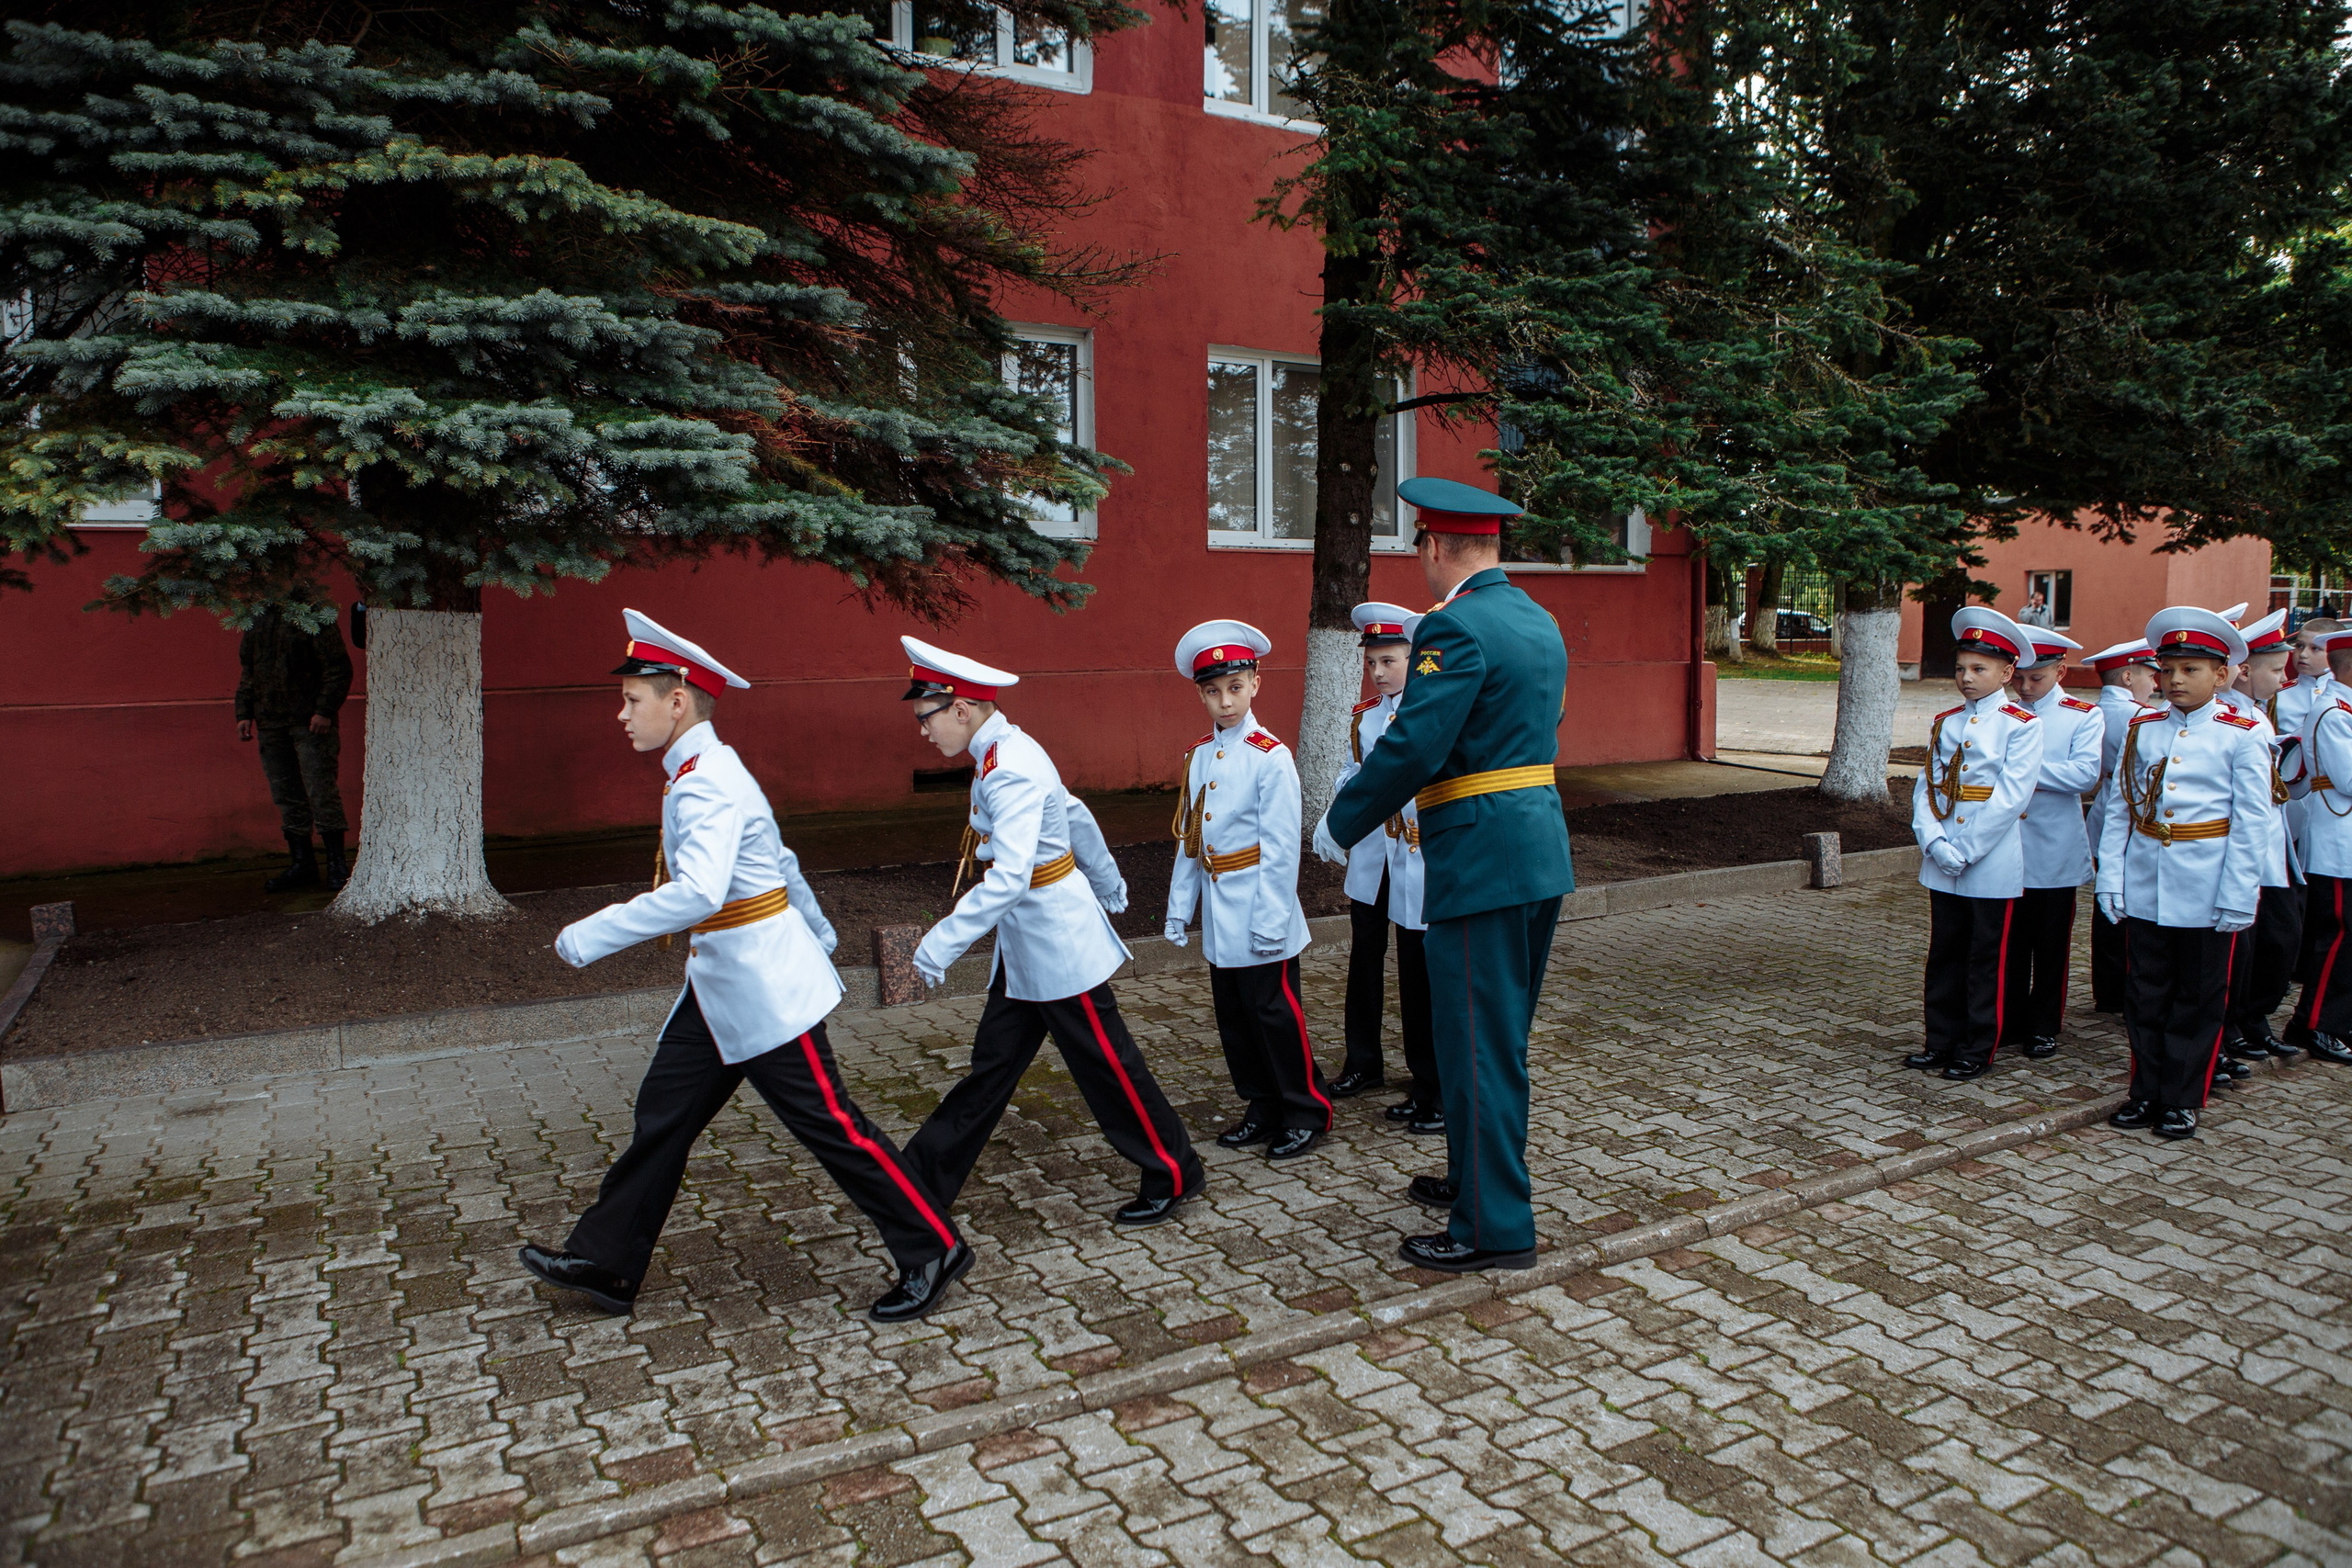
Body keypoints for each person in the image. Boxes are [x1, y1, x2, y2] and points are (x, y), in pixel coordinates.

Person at [521, 611, 968, 1323]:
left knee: (834, 1126)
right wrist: (820, 931)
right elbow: (779, 859)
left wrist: (590, 934)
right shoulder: (704, 769)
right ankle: (606, 1260)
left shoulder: (704, 781)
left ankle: (933, 1246)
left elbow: (699, 891)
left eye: (633, 699)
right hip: (721, 987)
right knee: (663, 1116)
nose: (621, 713)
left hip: (762, 991)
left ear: (677, 701)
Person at [1325, 476, 1574, 1274]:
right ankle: (1475, 1183)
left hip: (1479, 855)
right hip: (1535, 847)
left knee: (1476, 1046)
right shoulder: (1538, 621)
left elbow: (1417, 744)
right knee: (1495, 1041)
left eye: (1418, 549)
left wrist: (1339, 823)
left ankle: (1492, 1229)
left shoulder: (1453, 628)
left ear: (1434, 546)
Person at [896, 637, 1206, 1229]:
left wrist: (940, 941)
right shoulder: (1006, 749)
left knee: (1108, 1066)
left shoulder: (1005, 767)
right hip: (1029, 947)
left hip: (1056, 944)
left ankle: (1172, 1167)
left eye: (925, 718)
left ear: (960, 708)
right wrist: (1108, 879)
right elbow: (1075, 812)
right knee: (992, 1067)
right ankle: (919, 1179)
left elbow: (1010, 877)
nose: (922, 731)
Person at [2097, 606, 2278, 1140]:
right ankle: (2145, 1090)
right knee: (2145, 993)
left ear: (2221, 675)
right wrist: (2112, 876)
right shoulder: (2143, 727)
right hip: (2148, 880)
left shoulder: (2242, 734)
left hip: (2207, 883)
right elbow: (2121, 809)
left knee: (2198, 999)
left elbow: (2251, 824)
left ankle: (2181, 1097)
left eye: (2190, 670)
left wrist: (2240, 893)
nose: (2174, 680)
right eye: (2167, 668)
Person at [1166, 620, 1330, 1159]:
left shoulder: (1270, 756)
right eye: (1212, 692)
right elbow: (1192, 838)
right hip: (1220, 911)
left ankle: (1306, 1109)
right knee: (1235, 1019)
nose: (1225, 701)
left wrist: (1270, 919)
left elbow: (1282, 851)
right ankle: (1261, 1105)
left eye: (1235, 688)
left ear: (1256, 684)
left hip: (1262, 909)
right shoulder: (1199, 756)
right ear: (1200, 694)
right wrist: (1178, 909)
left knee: (1275, 1015)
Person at [1311, 602, 1440, 1130]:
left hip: (1416, 857)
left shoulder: (1428, 712)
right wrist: (1347, 795)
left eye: (1390, 660)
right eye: (1372, 663)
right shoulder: (1364, 718)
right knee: (1364, 959)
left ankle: (1426, 1076)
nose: (1380, 672)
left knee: (1417, 970)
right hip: (1372, 857)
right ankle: (1362, 1063)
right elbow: (1350, 773)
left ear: (1414, 656)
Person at [1909, 608, 2044, 1080]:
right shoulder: (1946, 721)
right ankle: (1939, 1040)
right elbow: (1928, 785)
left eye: (1979, 669)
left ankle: (1977, 1046)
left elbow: (2011, 796)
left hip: (1990, 858)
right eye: (1961, 668)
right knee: (1944, 952)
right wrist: (1933, 841)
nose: (1966, 678)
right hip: (1943, 851)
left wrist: (1966, 850)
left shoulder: (2021, 724)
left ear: (2008, 673)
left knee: (1985, 958)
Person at [2001, 629, 2101, 1058]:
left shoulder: (2083, 715)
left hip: (2055, 847)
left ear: (2061, 671)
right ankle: (2007, 1019)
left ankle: (2043, 1024)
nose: (2025, 687)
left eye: (2036, 678)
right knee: (2009, 942)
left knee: (2051, 943)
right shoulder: (2001, 712)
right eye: (2018, 678)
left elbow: (2084, 775)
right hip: (2006, 845)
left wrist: (2021, 769)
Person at [2219, 610, 2309, 1068]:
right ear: (2246, 670)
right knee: (2255, 944)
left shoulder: (2255, 712)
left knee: (2278, 939)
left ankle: (2252, 1021)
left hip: (2273, 847)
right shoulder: (2234, 716)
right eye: (2276, 669)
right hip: (2247, 851)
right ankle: (2233, 1027)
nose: (2283, 677)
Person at [236, 601, 355, 891]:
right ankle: (302, 865)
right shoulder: (257, 615)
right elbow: (249, 669)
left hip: (310, 722)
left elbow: (338, 666)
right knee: (286, 794)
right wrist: (244, 712)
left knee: (321, 791)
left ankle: (337, 866)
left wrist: (325, 709)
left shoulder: (313, 612)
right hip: (270, 722)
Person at [2282, 628, 2352, 1066]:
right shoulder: (2334, 711)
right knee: (2339, 937)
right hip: (2338, 840)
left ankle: (2333, 1018)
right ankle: (2315, 1024)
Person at [2084, 638, 2162, 1013]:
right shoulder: (2139, 715)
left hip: (2104, 806)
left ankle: (2107, 986)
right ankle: (2124, 985)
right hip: (2132, 808)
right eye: (2151, 674)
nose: (2156, 683)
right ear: (2129, 676)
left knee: (2106, 900)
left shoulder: (2096, 710)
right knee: (2128, 901)